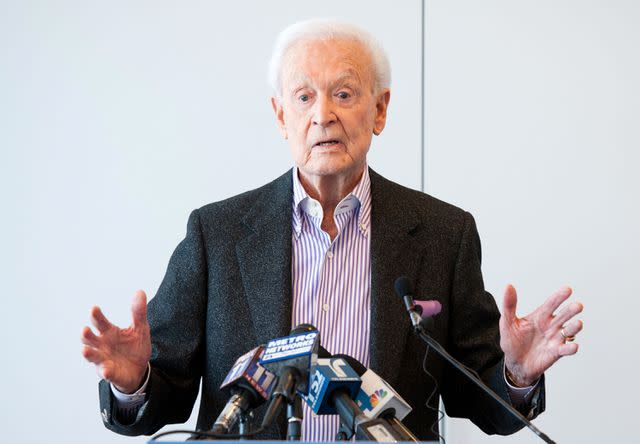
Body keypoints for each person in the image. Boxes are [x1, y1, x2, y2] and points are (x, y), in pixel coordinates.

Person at [81, 19, 583, 441]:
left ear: (380, 109)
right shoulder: (217, 234)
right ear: (281, 116)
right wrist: (135, 382)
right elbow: (164, 393)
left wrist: (516, 374)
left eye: (343, 93)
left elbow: (478, 397)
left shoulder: (442, 234)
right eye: (303, 97)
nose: (323, 115)